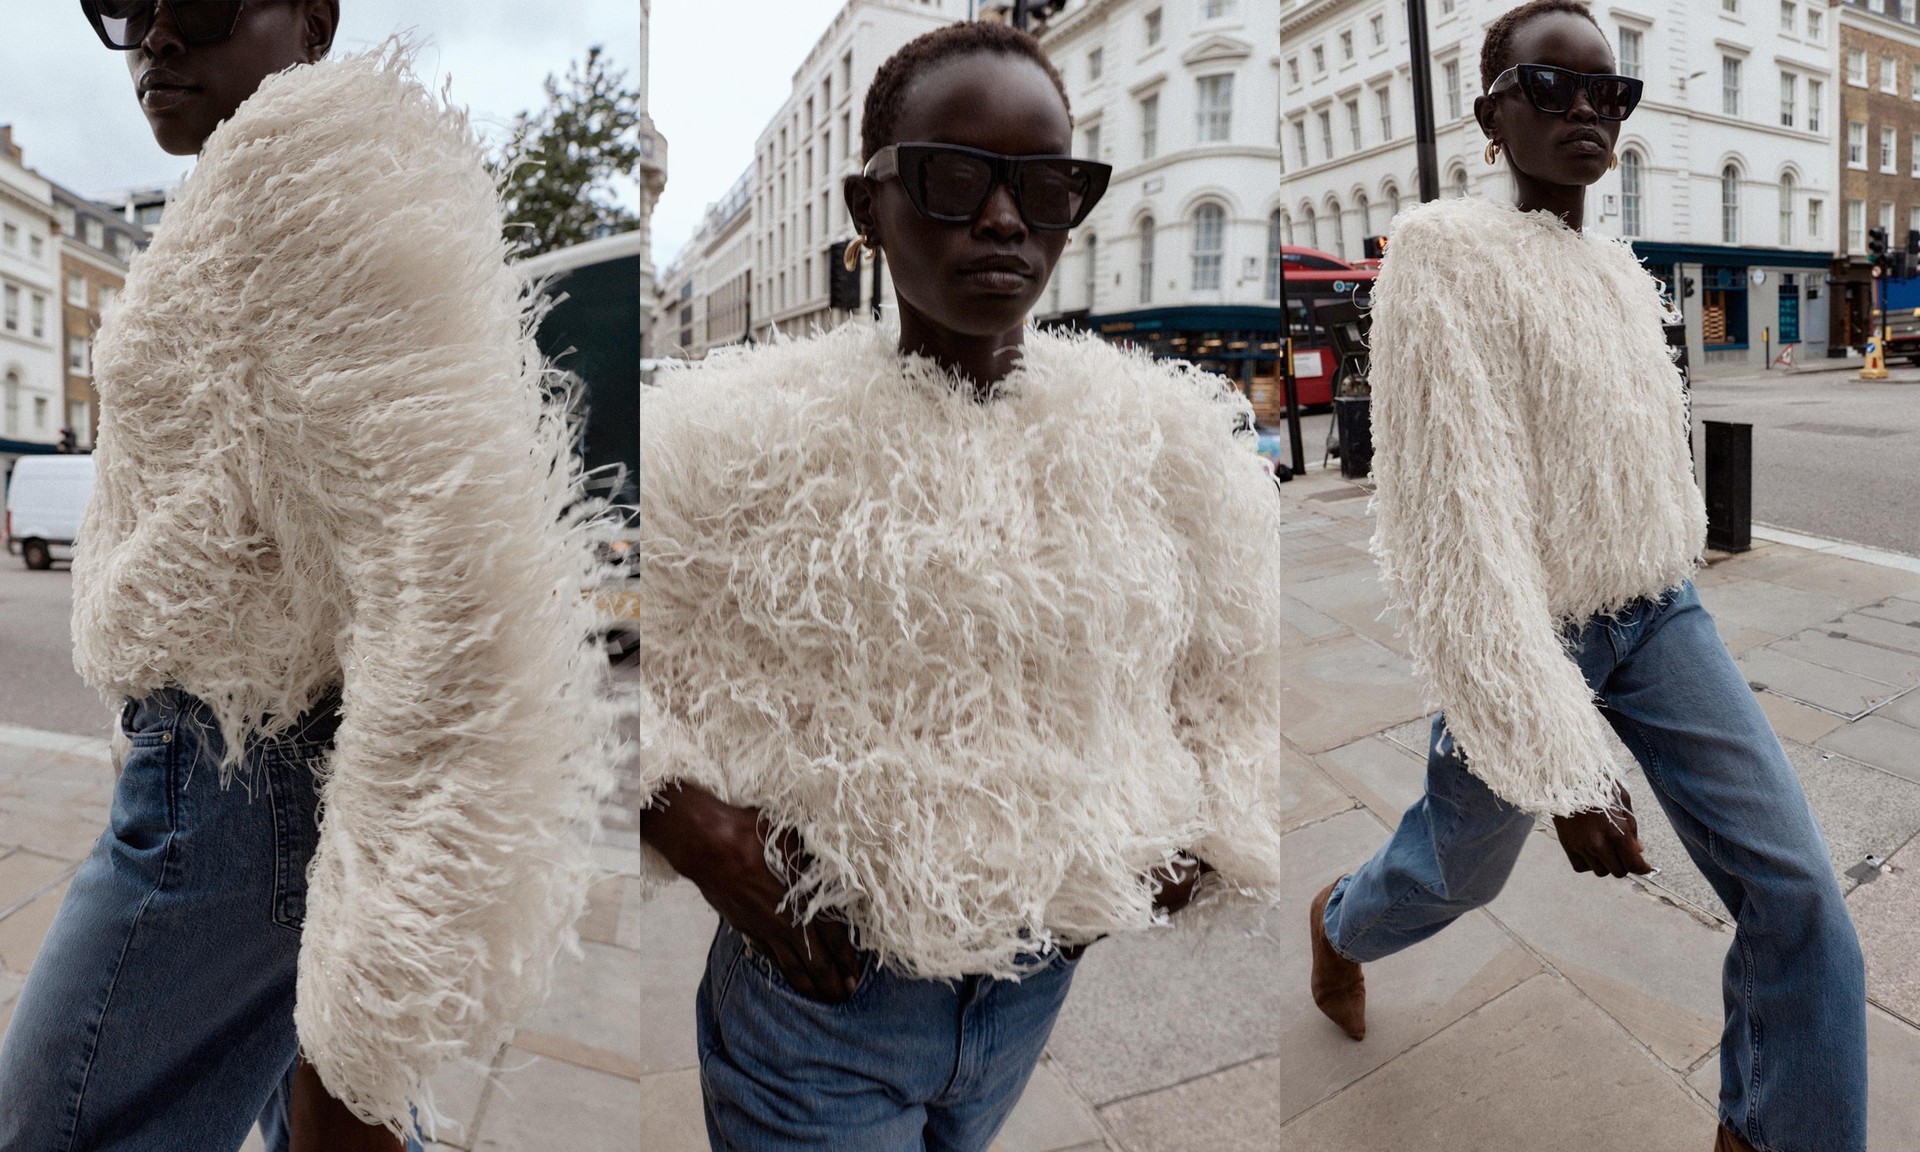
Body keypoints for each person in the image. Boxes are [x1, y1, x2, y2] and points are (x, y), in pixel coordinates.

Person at [638, 21, 1286, 1152]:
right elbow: (580, 653)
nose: (1003, 220)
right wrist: (692, 822)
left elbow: (1235, 670)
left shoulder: (1165, 441)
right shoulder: (726, 437)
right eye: (951, 179)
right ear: (867, 207)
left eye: (1045, 187)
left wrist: (1210, 826)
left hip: (1034, 990)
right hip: (818, 997)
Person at [0, 2, 618, 1148]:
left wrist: (362, 1047)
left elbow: (454, 591)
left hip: (239, 789)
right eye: (127, 4)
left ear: (318, 18)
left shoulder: (307, 165)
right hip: (244, 769)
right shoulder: (263, 179)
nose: (158, 38)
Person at [1305, 4, 1869, 1151]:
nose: (1584, 113)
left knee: (1801, 898)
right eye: (1549, 88)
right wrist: (1560, 757)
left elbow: (1638, 465)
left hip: (1660, 613)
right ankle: (1339, 921)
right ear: (1489, 113)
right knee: (1453, 875)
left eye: (1607, 95)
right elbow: (1459, 532)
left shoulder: (1618, 272)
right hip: (1525, 631)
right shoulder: (1440, 257)